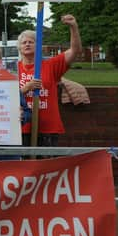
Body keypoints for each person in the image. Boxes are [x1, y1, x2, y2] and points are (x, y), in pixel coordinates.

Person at [18, 14, 82, 147]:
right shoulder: (13, 69)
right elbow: (6, 98)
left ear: (39, 46)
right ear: (19, 47)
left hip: (47, 128)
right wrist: (26, 88)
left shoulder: (51, 65)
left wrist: (73, 27)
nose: (27, 44)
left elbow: (75, 51)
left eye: (31, 41)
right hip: (21, 127)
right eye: (24, 42)